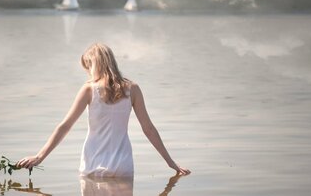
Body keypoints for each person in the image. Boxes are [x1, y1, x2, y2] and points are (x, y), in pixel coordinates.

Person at [18, 43, 190, 176]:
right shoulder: (133, 89)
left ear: (95, 65)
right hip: (123, 166)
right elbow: (149, 129)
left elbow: (65, 126)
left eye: (88, 67)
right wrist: (171, 163)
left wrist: (39, 157)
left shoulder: (88, 89)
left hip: (92, 164)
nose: (88, 72)